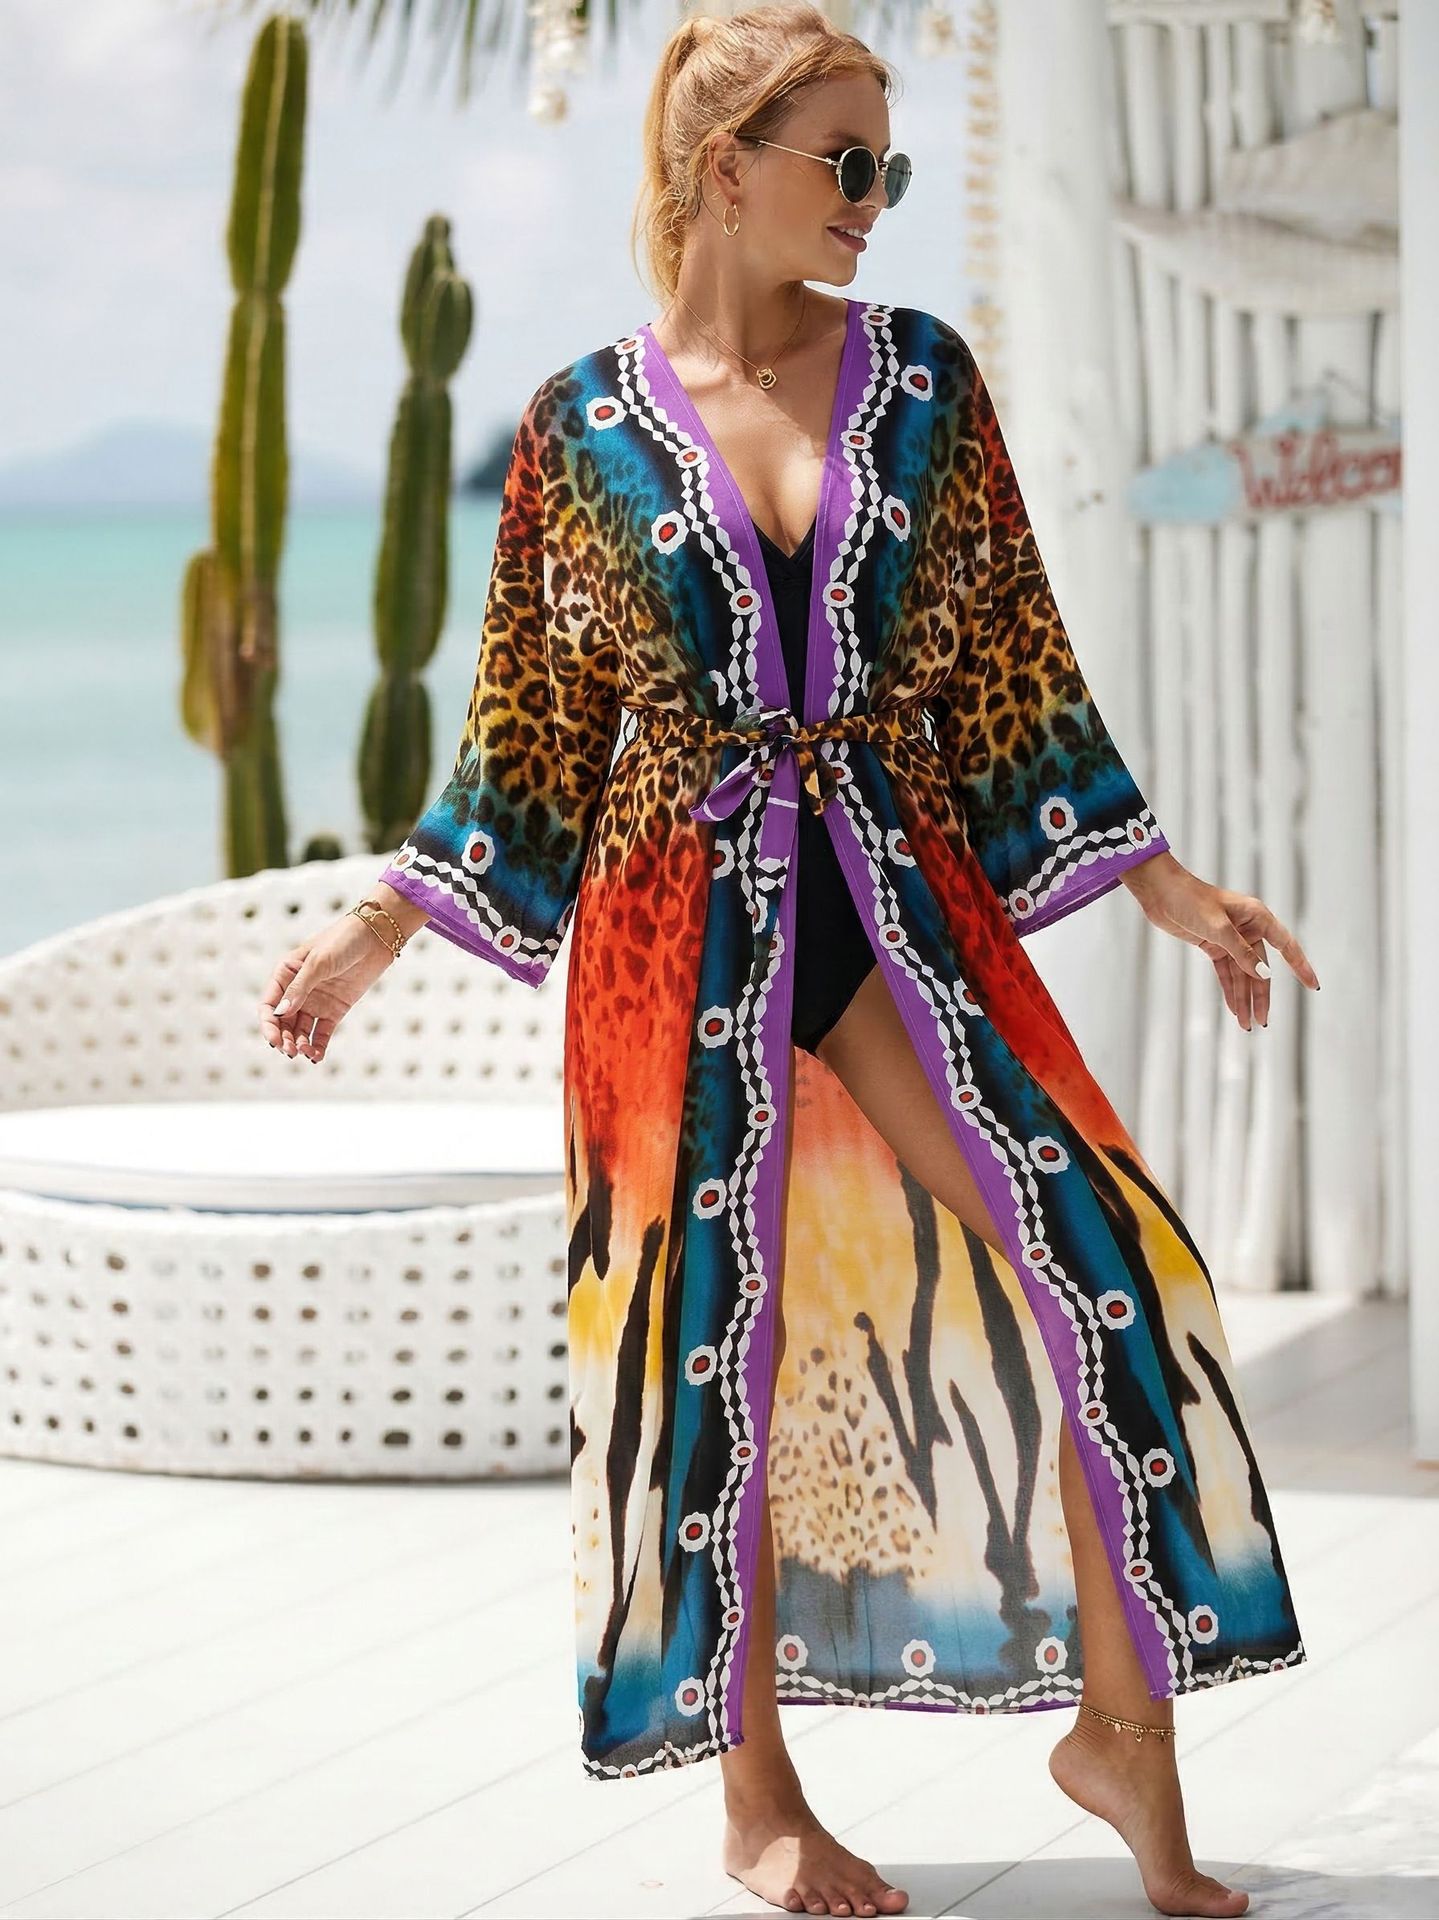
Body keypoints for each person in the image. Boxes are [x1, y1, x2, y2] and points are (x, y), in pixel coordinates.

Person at [258, 7, 1320, 1915]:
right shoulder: (582, 427)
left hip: (894, 896)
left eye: (887, 165)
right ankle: (760, 1803)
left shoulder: (923, 379)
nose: (873, 199)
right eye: (844, 161)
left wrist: (1164, 884)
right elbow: (527, 737)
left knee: (1105, 1255)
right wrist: (374, 927)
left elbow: (1015, 663)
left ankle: (1123, 1730)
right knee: (703, 1352)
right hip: (672, 929)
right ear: (721, 166)